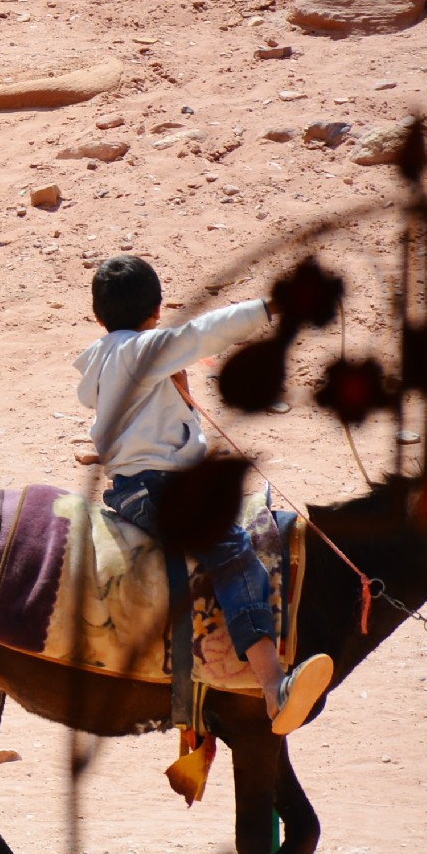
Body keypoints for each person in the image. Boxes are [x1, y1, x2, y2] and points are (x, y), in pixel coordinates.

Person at [78, 255, 333, 734]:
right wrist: (269, 307)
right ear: (156, 312)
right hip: (161, 488)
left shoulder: (103, 362)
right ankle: (273, 686)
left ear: (98, 316)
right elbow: (203, 333)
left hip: (131, 490)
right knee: (234, 553)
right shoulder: (143, 352)